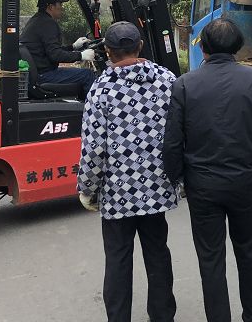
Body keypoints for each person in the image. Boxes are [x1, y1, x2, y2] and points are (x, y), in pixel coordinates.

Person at [163, 18, 252, 322]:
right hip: (245, 183)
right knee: (249, 254)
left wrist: (179, 179)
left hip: (203, 187)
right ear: (238, 47)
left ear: (203, 48)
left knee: (211, 260)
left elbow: (173, 143)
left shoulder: (185, 85)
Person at [77, 21, 179, 322]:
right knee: (157, 252)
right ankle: (163, 316)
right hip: (157, 189)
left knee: (118, 259)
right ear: (141, 45)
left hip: (117, 194)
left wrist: (88, 187)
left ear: (108, 51)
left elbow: (93, 147)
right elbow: (179, 135)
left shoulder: (101, 88)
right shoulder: (167, 80)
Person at [20, 0, 96, 94]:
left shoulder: (36, 20)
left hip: (39, 71)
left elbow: (51, 50)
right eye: (59, 4)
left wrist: (73, 46)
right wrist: (81, 56)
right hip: (44, 75)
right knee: (87, 75)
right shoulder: (48, 23)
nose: (62, 8)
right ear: (51, 7)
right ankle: (93, 108)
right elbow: (55, 55)